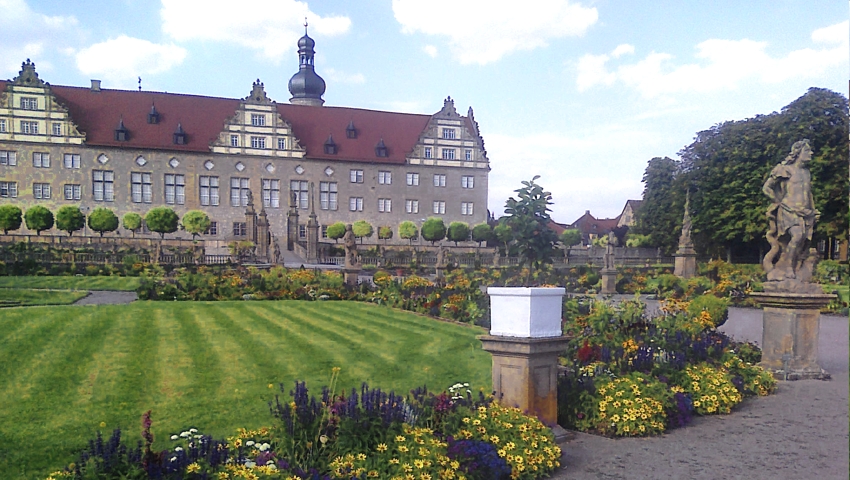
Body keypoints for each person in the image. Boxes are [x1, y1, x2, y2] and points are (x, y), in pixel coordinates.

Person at [762, 139, 818, 282]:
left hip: (805, 212)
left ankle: (795, 268)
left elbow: (808, 193)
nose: (811, 153)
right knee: (797, 235)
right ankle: (788, 268)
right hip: (789, 209)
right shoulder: (785, 169)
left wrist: (813, 210)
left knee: (802, 242)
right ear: (798, 153)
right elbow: (767, 188)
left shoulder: (806, 172)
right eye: (807, 150)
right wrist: (778, 201)